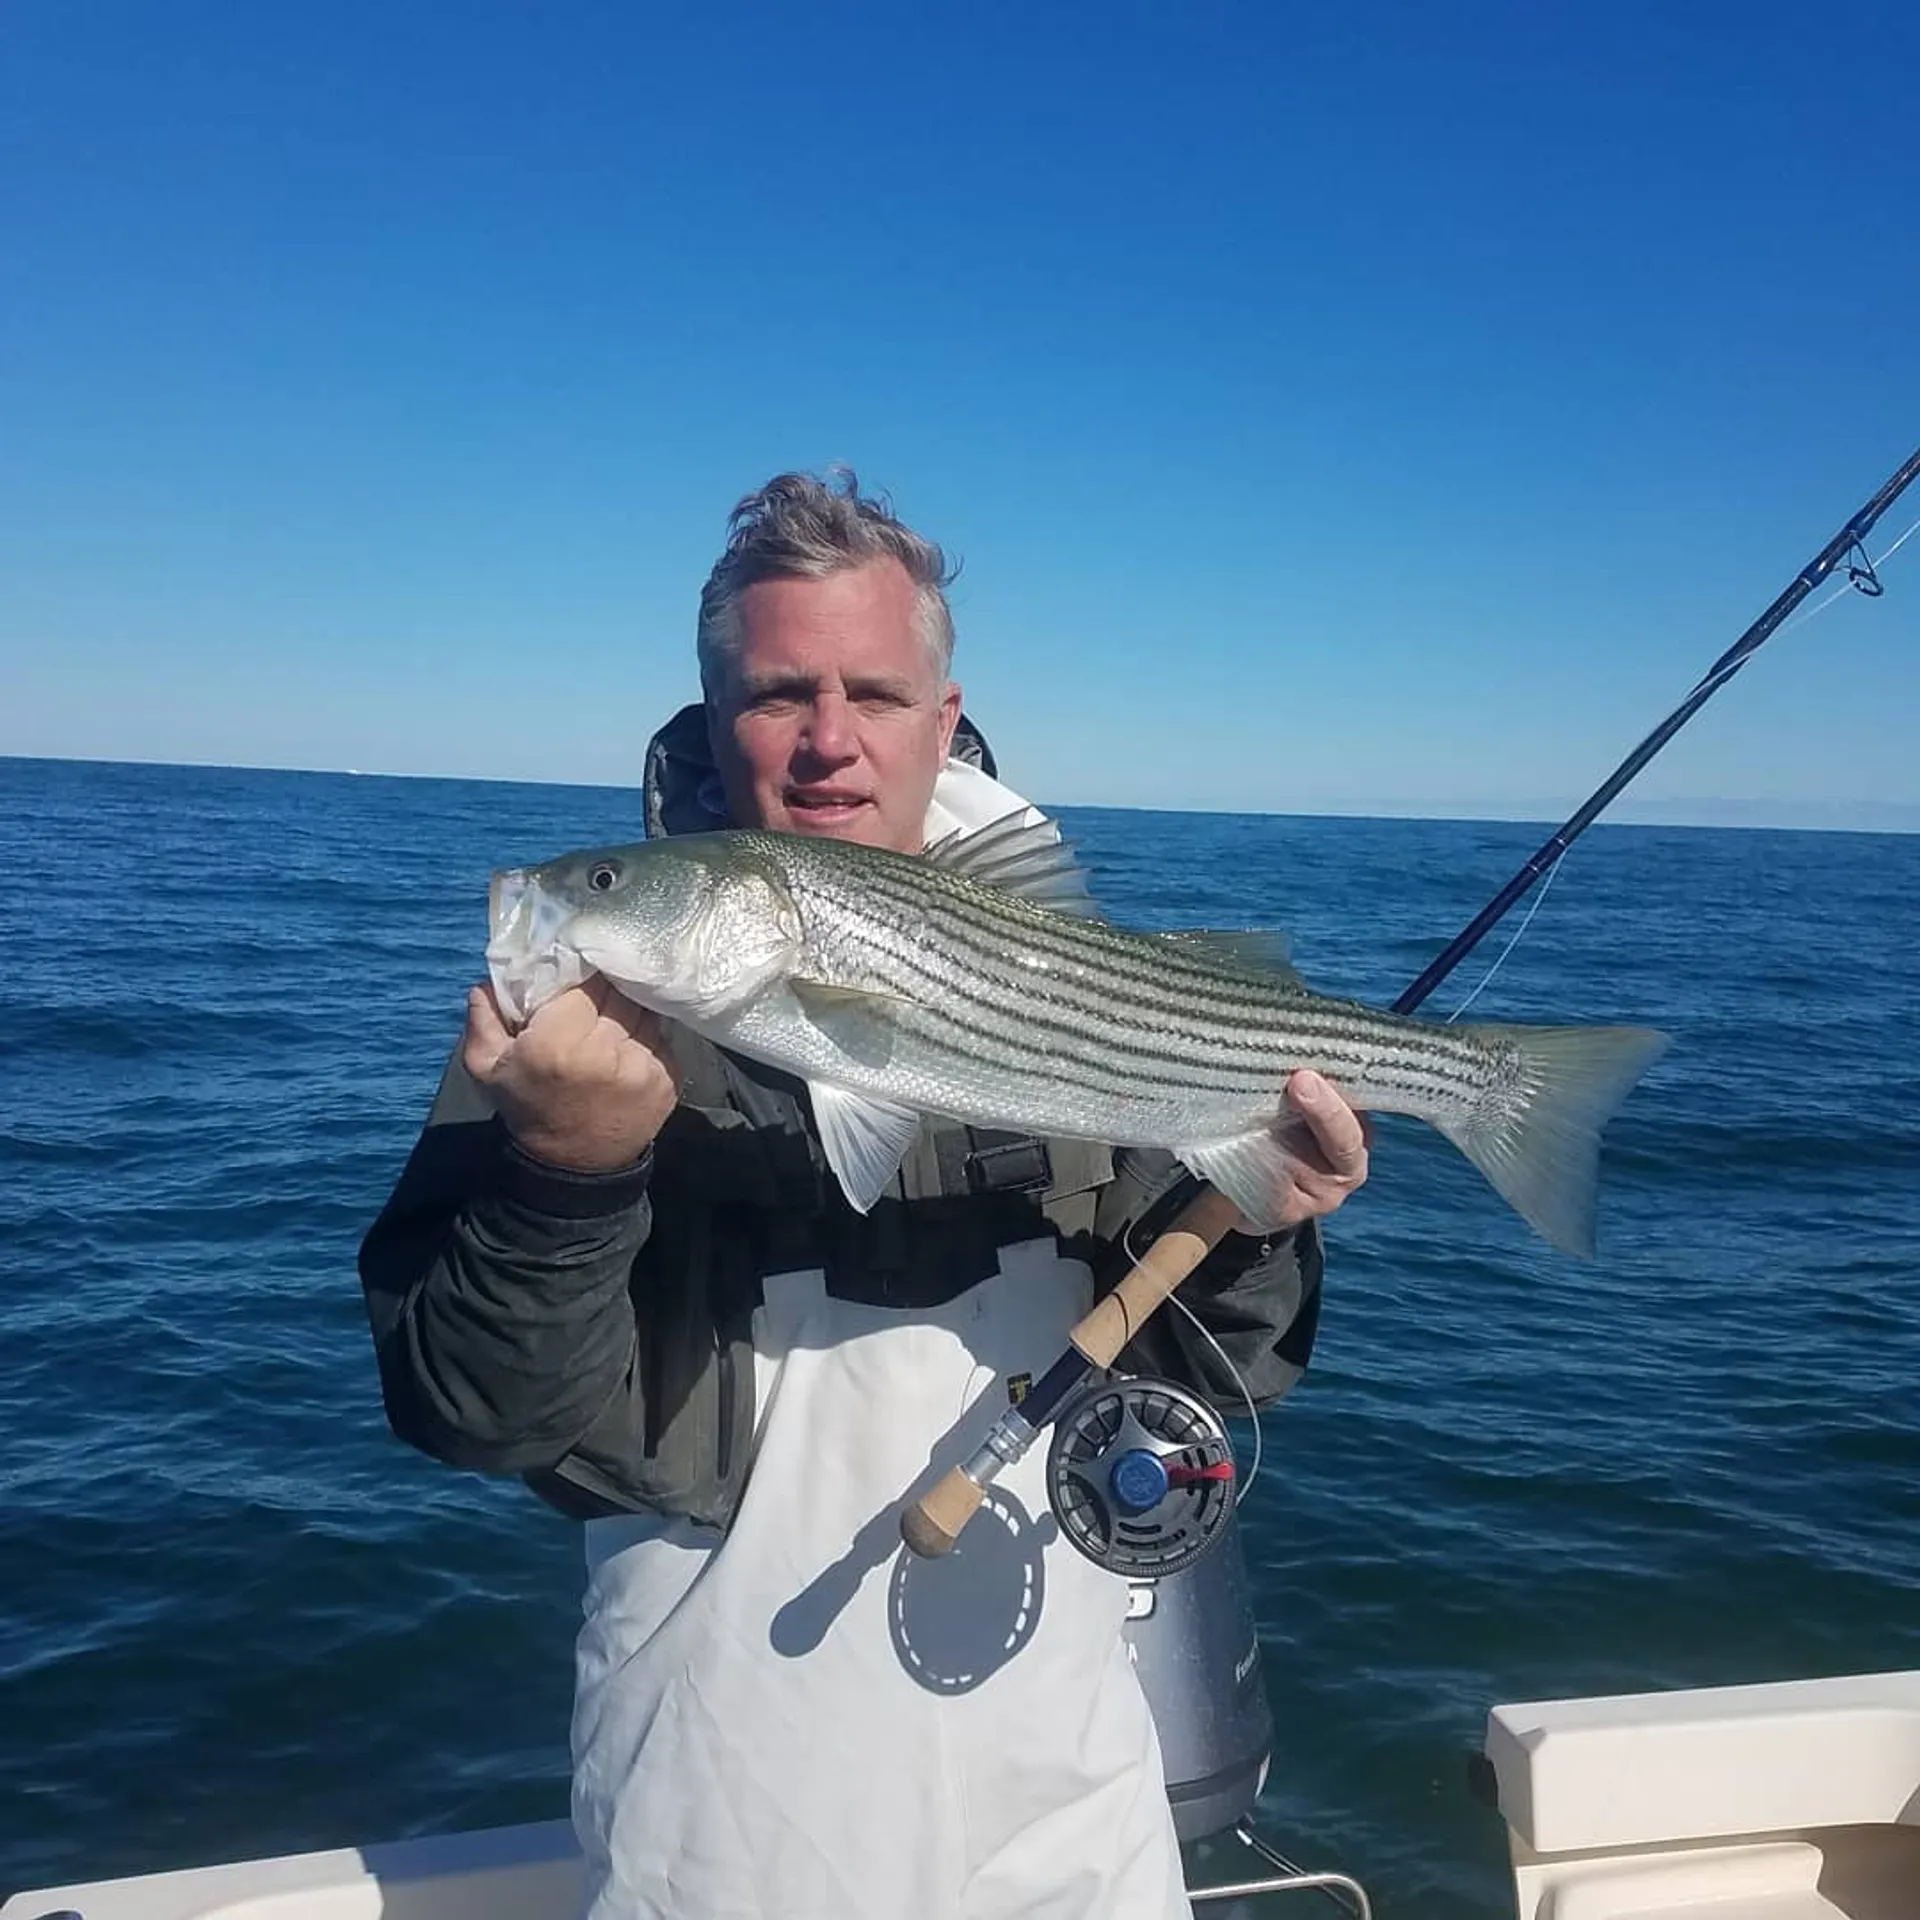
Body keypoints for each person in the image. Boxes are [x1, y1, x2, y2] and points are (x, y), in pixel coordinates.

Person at [358, 471, 1370, 1920]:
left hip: (1073, 1796)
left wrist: (1262, 1227)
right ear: (715, 718)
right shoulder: (564, 1047)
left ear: (943, 722)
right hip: (721, 1809)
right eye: (780, 694)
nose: (829, 739)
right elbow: (474, 1417)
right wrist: (568, 1173)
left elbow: (1220, 1375)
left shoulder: (1069, 977)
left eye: (876, 695)